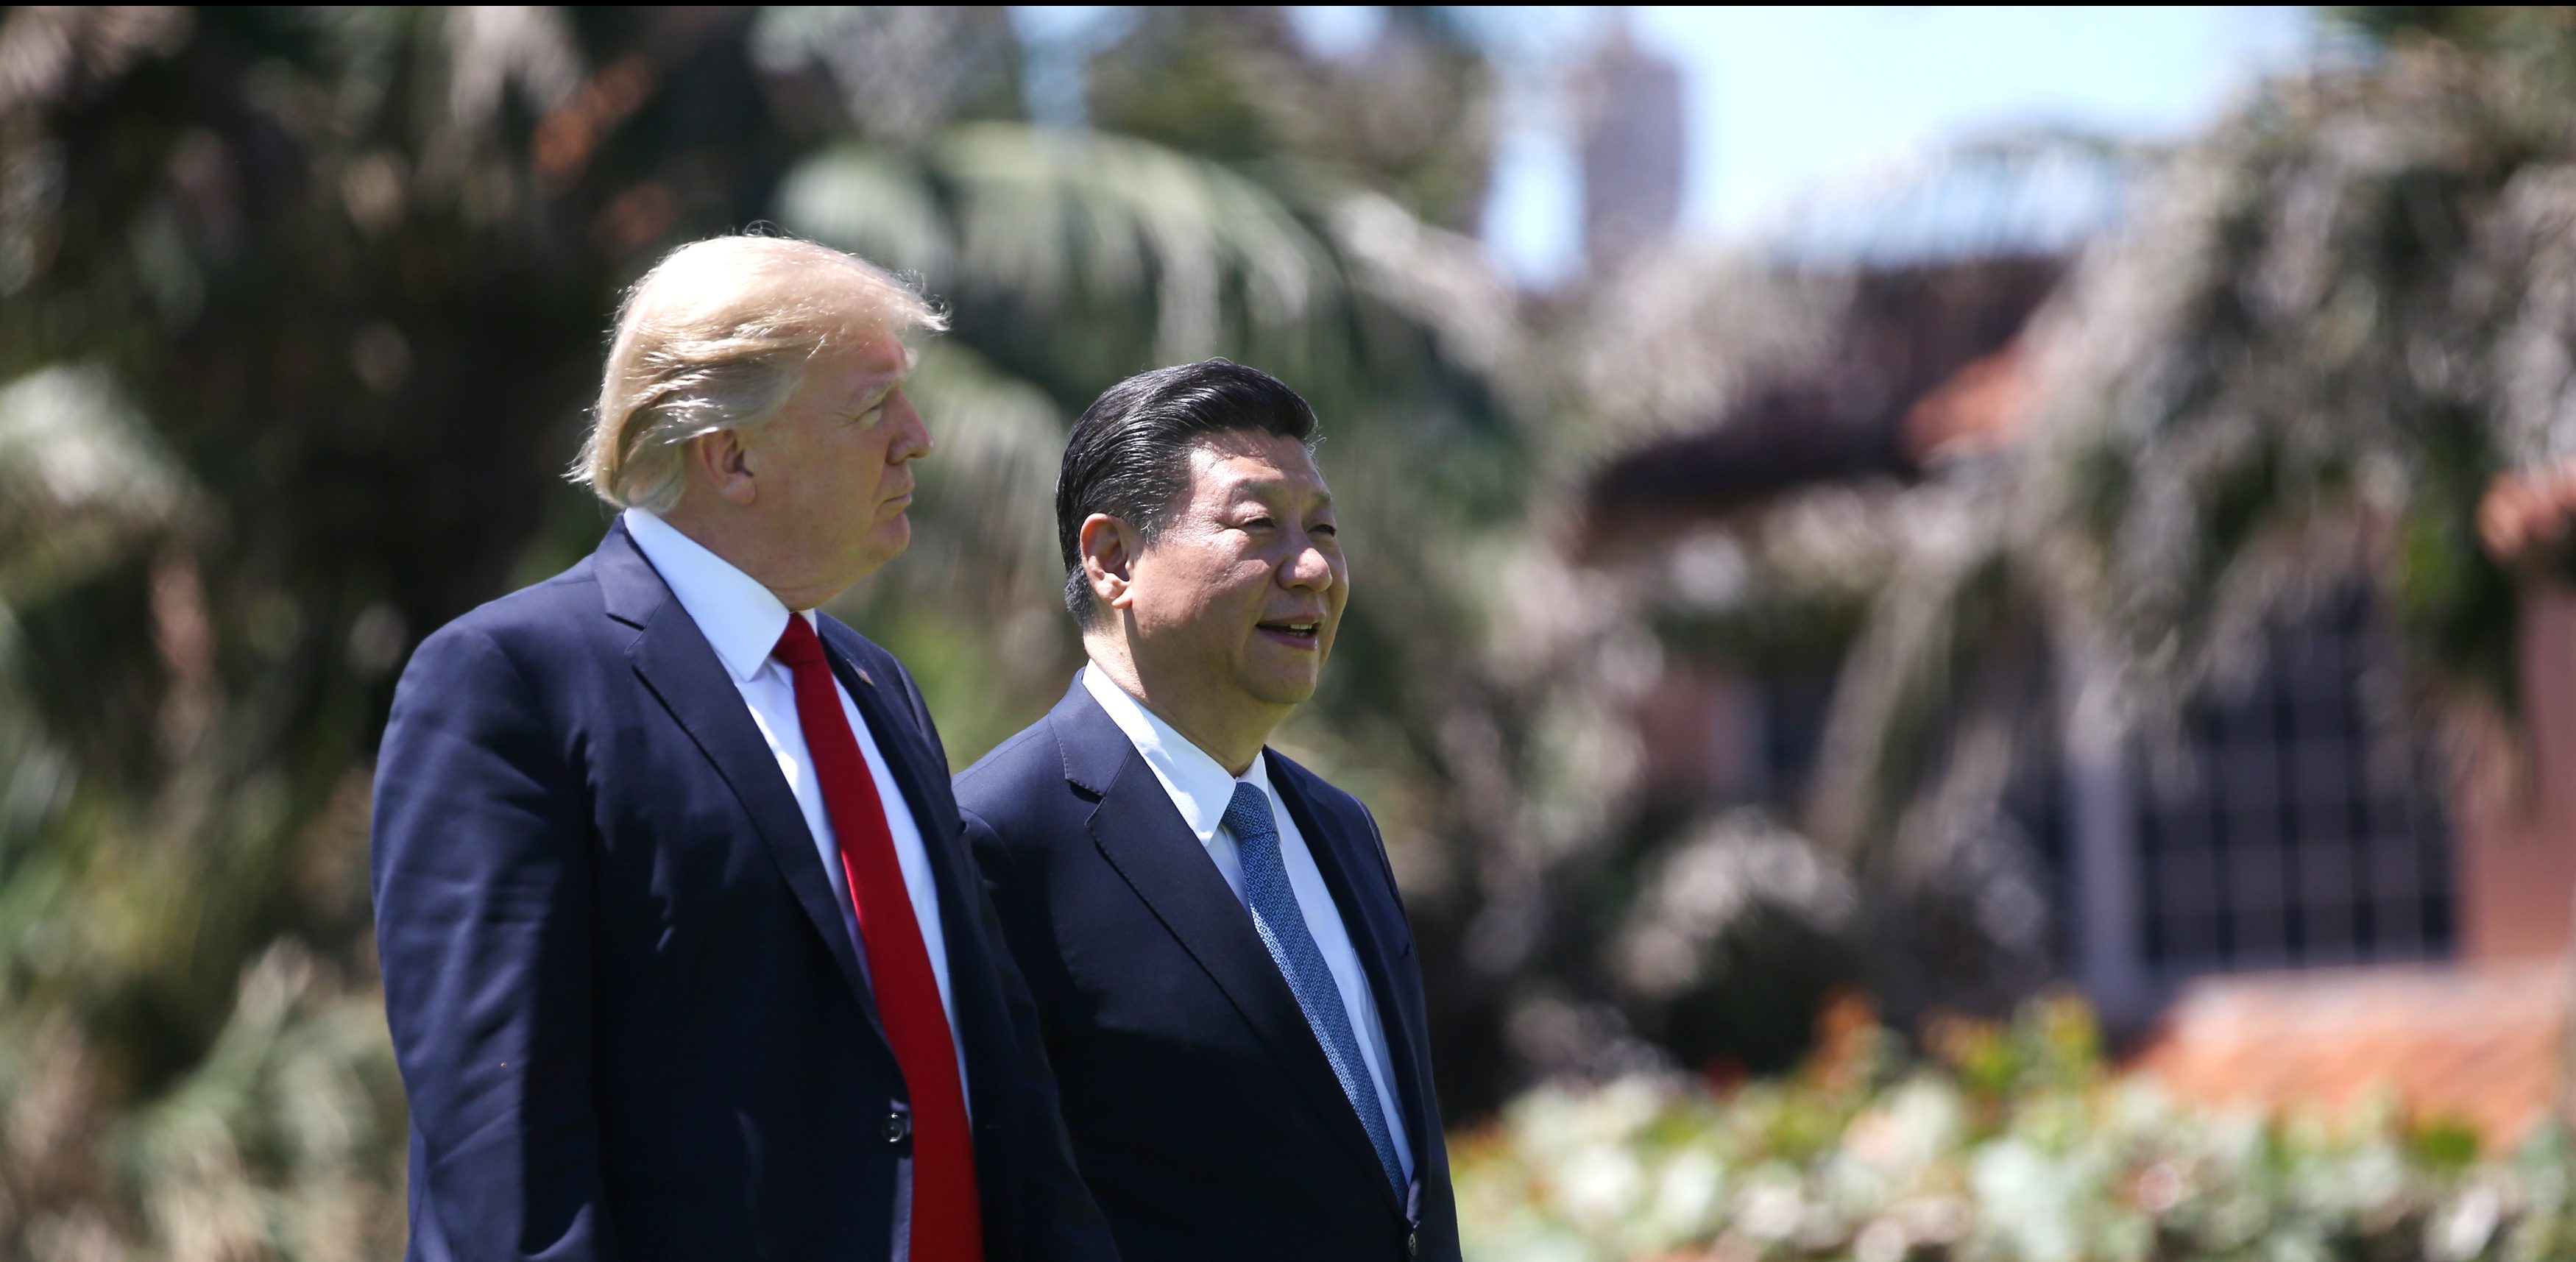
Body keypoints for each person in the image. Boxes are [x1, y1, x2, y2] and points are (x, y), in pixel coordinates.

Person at [371, 235, 1114, 1262]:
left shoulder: (876, 686)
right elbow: (501, 1139)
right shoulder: (509, 682)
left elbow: (998, 1062)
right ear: (732, 454)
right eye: (871, 407)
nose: (918, 438)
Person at [954, 361, 1459, 1261]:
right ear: (1111, 559)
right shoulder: (996, 838)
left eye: (1326, 529)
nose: (1312, 569)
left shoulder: (1339, 829)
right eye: (1257, 525)